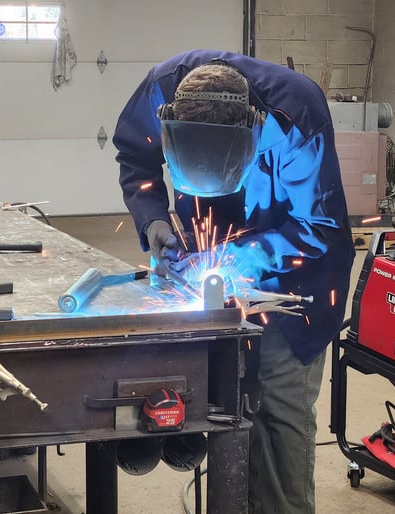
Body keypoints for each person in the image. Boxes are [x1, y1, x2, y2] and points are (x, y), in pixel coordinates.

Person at [113, 49, 355, 514]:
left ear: (253, 129)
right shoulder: (160, 92)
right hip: (206, 272)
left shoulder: (295, 116)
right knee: (214, 396)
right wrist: (152, 221)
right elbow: (135, 157)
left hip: (293, 289)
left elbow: (318, 228)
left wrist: (240, 257)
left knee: (277, 413)